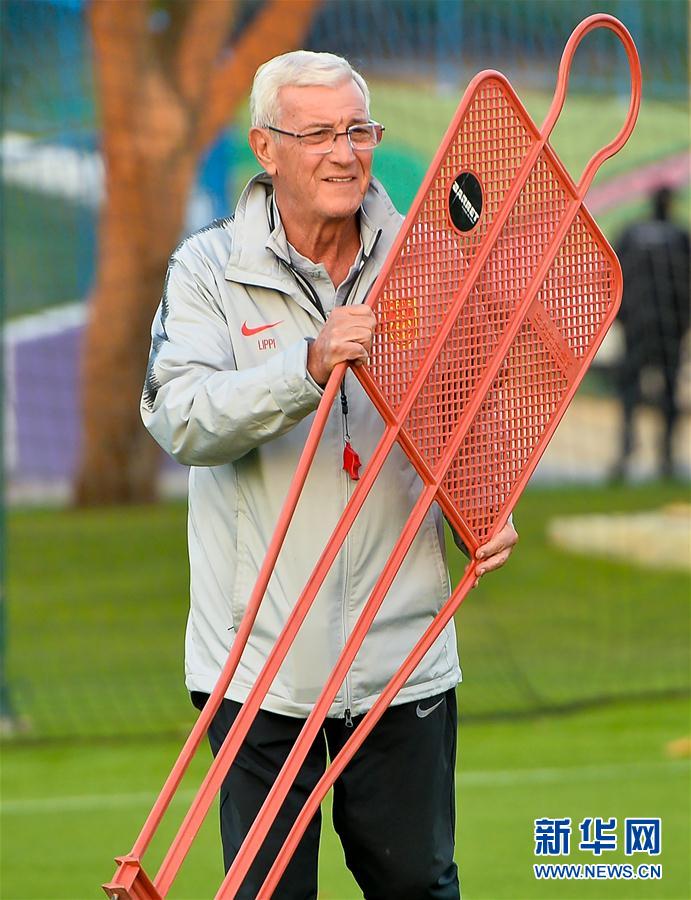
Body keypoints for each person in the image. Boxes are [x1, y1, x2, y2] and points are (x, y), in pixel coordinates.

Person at [142, 51, 517, 900]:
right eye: (317, 134)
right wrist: (305, 368)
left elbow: (465, 414)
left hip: (402, 662)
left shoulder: (428, 256)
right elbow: (179, 416)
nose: (344, 153)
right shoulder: (206, 268)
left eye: (357, 131)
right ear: (265, 148)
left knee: (418, 888)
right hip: (259, 676)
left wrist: (484, 500)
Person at [612, 185, 690, 480]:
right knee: (668, 391)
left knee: (629, 392)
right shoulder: (680, 237)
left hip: (637, 325)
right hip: (668, 327)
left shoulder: (631, 233)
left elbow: (612, 271)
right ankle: (666, 456)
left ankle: (625, 451)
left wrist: (621, 317)